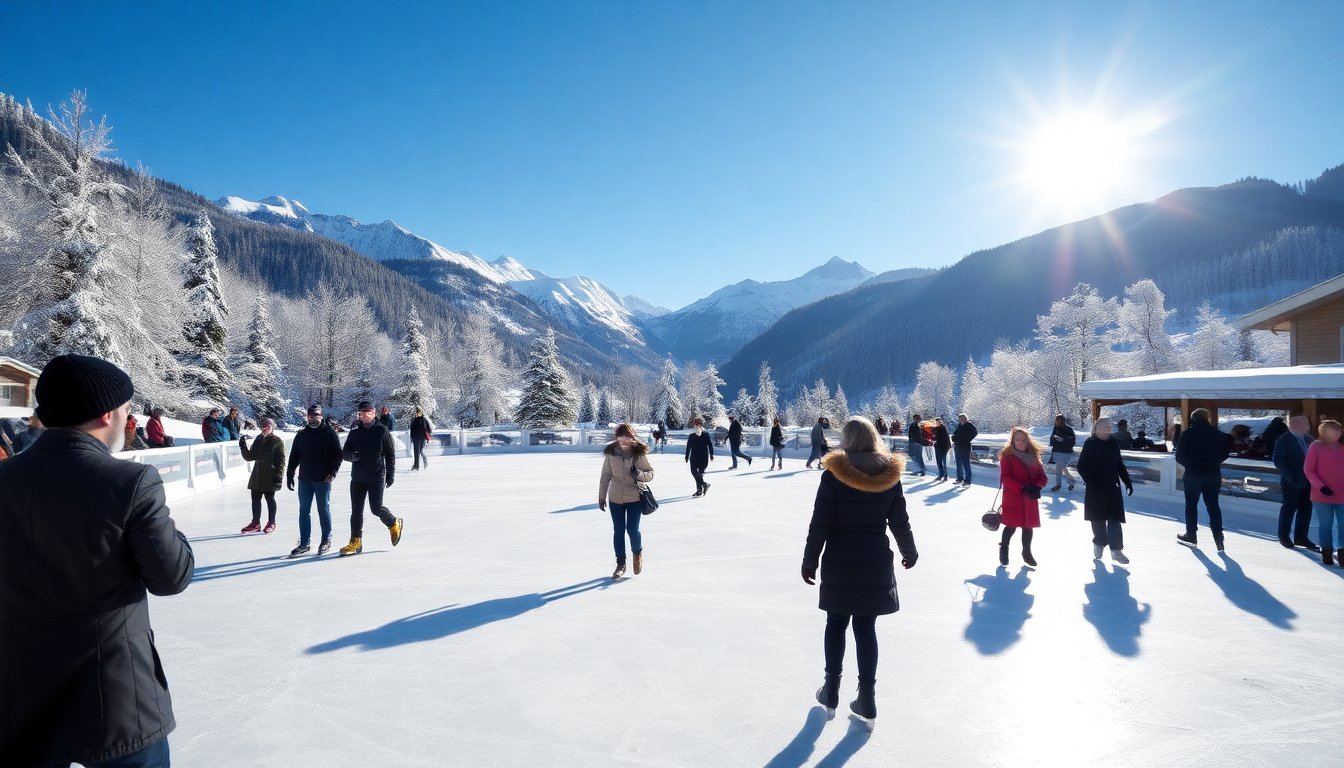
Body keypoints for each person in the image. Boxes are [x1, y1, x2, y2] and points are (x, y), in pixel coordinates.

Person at [0, 354, 193, 767]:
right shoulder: (130, 482)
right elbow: (171, 576)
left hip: (19, 694)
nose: (128, 420)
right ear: (107, 414)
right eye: (126, 411)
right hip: (117, 698)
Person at [802, 416, 917, 728]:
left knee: (836, 623)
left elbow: (820, 524)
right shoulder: (890, 474)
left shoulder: (833, 474)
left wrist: (809, 560)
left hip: (840, 561)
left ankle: (831, 690)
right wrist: (909, 552)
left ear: (847, 439)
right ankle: (867, 697)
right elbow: (900, 521)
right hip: (875, 561)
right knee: (866, 629)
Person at [339, 400, 403, 556]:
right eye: (361, 413)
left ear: (374, 413)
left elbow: (390, 454)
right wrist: (350, 456)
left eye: (367, 412)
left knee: (376, 508)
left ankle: (393, 522)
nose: (363, 415)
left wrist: (391, 473)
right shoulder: (354, 432)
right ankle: (356, 542)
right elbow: (345, 452)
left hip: (376, 476)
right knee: (356, 511)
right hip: (358, 478)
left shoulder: (382, 431)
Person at [598, 422, 655, 578]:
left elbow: (650, 473)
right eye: (621, 437)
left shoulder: (638, 452)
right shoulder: (611, 452)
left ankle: (637, 554)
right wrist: (602, 496)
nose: (624, 440)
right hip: (615, 497)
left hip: (634, 496)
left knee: (632, 530)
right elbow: (605, 476)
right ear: (617, 437)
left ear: (632, 437)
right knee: (618, 530)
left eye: (627, 437)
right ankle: (620, 564)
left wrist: (639, 474)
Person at [285, 404, 343, 557]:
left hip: (323, 479)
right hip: (305, 479)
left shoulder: (329, 433)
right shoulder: (302, 434)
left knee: (323, 510)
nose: (313, 418)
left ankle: (326, 539)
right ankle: (304, 543)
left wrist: (333, 471)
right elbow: (294, 455)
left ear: (321, 416)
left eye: (316, 416)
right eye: (310, 416)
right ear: (307, 417)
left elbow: (338, 455)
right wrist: (290, 473)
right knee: (304, 511)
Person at [1076, 418, 1134, 564]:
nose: (1106, 428)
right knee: (1098, 520)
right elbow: (1081, 466)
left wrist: (1127, 481)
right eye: (1102, 426)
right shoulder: (1090, 443)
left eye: (1108, 426)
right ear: (1095, 429)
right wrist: (1092, 482)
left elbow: (1119, 464)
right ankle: (1099, 542)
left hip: (1112, 488)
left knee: (1115, 519)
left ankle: (1116, 550)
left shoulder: (1113, 443)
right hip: (1096, 489)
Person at [1174, 408, 1232, 551]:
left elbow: (1179, 456)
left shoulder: (1187, 434)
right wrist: (1213, 463)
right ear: (1208, 419)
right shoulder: (1218, 435)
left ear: (1194, 419)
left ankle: (1191, 535)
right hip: (1213, 475)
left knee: (1191, 505)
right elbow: (1225, 454)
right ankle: (1219, 538)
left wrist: (1192, 465)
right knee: (1213, 506)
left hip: (1193, 475)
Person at [999, 427, 1048, 567]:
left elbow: (1042, 476)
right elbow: (1006, 478)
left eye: (1023, 440)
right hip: (1014, 497)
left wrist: (1037, 487)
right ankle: (1004, 549)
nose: (1021, 443)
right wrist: (1023, 488)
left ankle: (1026, 553)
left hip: (1030, 498)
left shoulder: (1033, 456)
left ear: (1028, 441)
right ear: (1013, 441)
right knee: (1011, 526)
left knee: (1028, 526)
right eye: (1017, 440)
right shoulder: (1007, 457)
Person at [1272, 415, 1319, 551]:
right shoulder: (1284, 440)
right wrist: (1289, 476)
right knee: (1289, 508)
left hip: (1308, 481)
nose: (1309, 426)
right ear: (1296, 425)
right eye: (1306, 424)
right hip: (1291, 481)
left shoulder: (1309, 440)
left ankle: (1301, 537)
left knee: (1306, 509)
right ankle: (1284, 536)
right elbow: (1278, 460)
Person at [1305, 419, 1344, 566]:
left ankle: (1342, 552)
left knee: (1343, 524)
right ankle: (1327, 552)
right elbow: (1309, 469)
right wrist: (1321, 486)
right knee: (1326, 524)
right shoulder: (1316, 446)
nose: (1336, 433)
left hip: (1342, 493)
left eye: (1338, 430)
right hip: (1322, 493)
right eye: (1332, 430)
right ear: (1324, 432)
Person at [239, 417, 286, 535]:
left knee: (270, 499)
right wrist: (243, 446)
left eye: (267, 426)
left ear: (272, 427)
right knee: (255, 499)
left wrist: (279, 478)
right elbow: (250, 457)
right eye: (263, 426)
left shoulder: (277, 441)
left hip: (270, 475)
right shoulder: (259, 439)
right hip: (257, 474)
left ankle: (271, 522)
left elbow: (281, 461)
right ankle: (256, 523)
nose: (265, 428)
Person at [685, 417, 714, 497]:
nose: (696, 424)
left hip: (695, 456)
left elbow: (689, 446)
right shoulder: (705, 433)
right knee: (698, 474)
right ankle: (701, 489)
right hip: (703, 457)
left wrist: (687, 456)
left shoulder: (693, 434)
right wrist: (711, 454)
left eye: (696, 423)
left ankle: (701, 488)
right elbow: (710, 445)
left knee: (695, 473)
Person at [1047, 414, 1077, 492]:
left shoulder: (1069, 429)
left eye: (1060, 421)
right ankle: (1069, 481)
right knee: (1060, 467)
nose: (1058, 423)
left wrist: (1061, 439)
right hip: (1057, 452)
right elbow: (1052, 441)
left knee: (1060, 467)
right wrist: (1054, 438)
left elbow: (1072, 441)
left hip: (1066, 452)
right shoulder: (1055, 428)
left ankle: (1059, 484)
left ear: (1064, 421)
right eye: (1057, 421)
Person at [951, 413, 978, 485]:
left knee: (966, 464)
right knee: (958, 464)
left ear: (965, 418)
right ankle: (959, 479)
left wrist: (966, 439)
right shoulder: (959, 425)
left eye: (962, 418)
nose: (961, 420)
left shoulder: (969, 425)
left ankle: (967, 480)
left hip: (965, 447)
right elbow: (954, 433)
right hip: (957, 447)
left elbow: (975, 433)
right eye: (960, 419)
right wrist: (953, 438)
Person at [409, 406, 433, 471]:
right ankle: (416, 466)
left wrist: (427, 437)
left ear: (421, 412)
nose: (417, 413)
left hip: (422, 439)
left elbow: (429, 429)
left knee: (420, 452)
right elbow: (412, 429)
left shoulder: (424, 420)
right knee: (416, 453)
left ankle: (423, 463)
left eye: (419, 412)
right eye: (417, 412)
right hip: (416, 439)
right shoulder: (414, 420)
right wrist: (412, 437)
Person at [931, 417, 951, 481]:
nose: (936, 423)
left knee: (943, 462)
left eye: (938, 422)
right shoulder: (935, 429)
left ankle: (945, 475)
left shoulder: (942, 428)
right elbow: (934, 437)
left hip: (943, 447)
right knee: (939, 462)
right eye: (936, 422)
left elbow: (943, 438)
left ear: (940, 422)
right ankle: (941, 475)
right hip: (938, 447)